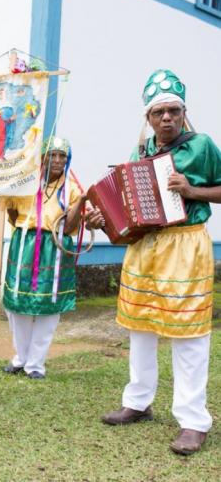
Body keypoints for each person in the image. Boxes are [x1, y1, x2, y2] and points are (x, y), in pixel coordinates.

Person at [88, 69, 220, 455]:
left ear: (184, 112)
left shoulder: (203, 146)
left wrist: (191, 189)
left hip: (186, 245)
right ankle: (138, 401)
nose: (166, 118)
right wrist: (104, 219)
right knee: (141, 328)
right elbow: (126, 207)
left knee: (189, 335)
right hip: (145, 248)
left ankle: (193, 421)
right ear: (148, 118)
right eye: (159, 112)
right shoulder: (141, 152)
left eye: (173, 111)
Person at [1, 137, 85, 379]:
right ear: (43, 157)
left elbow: (70, 227)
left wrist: (81, 203)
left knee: (48, 308)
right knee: (17, 304)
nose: (58, 160)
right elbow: (13, 213)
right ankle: (20, 358)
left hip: (54, 248)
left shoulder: (72, 189)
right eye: (53, 155)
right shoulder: (26, 181)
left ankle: (36, 364)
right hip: (24, 242)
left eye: (63, 156)